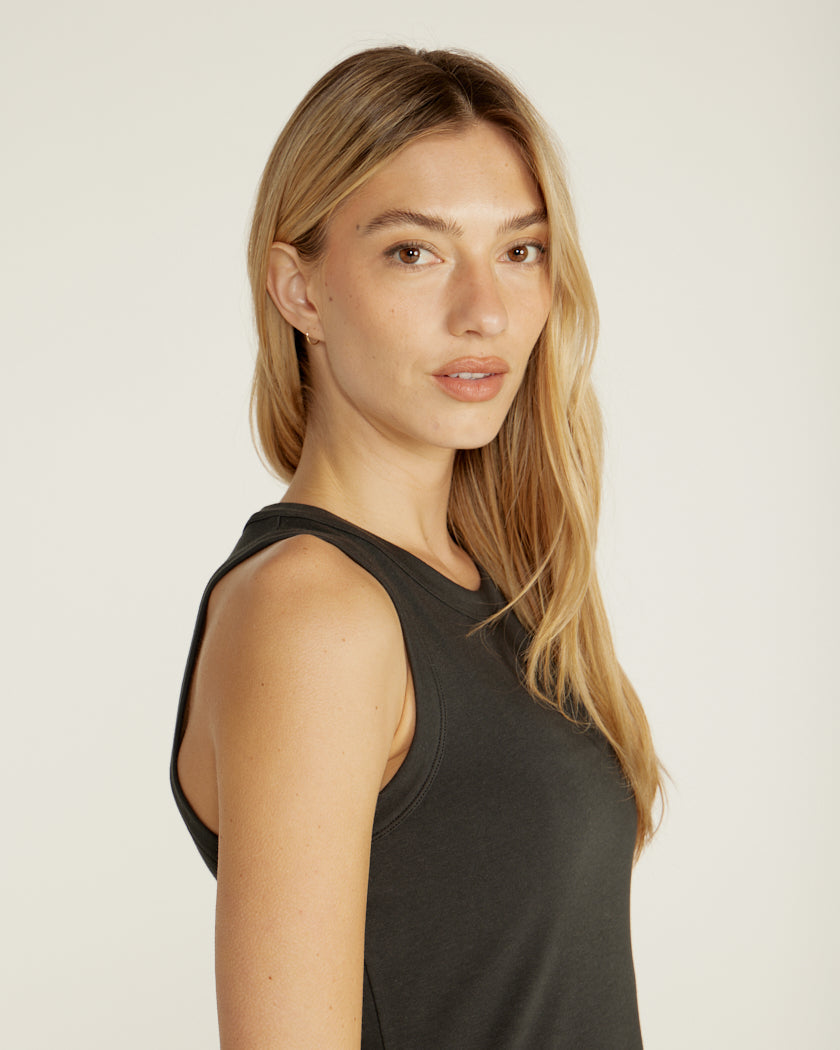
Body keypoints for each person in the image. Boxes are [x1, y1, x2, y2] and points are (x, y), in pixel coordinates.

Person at [170, 45, 663, 1049]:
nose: (485, 311)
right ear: (300, 290)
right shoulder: (316, 612)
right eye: (414, 252)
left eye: (520, 251)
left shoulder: (504, 590)